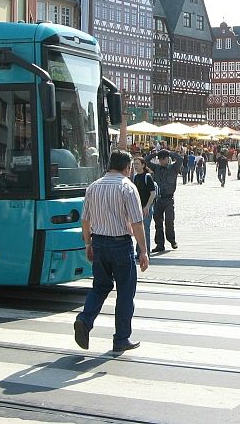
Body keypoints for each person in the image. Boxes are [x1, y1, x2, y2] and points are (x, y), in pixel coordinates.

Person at [73, 150, 149, 353]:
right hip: (120, 245)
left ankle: (84, 319)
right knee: (125, 292)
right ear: (127, 167)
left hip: (98, 243)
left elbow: (85, 219)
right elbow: (136, 222)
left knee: (100, 286)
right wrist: (143, 250)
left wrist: (88, 244)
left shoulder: (93, 187)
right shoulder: (128, 187)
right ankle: (121, 338)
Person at [147, 149, 183, 252]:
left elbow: (180, 159)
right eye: (160, 159)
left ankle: (172, 240)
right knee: (158, 223)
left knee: (169, 221)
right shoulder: (156, 168)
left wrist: (169, 152)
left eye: (164, 159)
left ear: (168, 159)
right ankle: (160, 244)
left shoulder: (173, 168)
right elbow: (146, 160)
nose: (162, 161)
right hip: (158, 199)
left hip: (168, 199)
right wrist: (155, 153)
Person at [131, 157, 156, 258]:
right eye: (134, 164)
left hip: (146, 208)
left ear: (143, 165)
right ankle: (139, 252)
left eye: (137, 164)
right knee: (138, 229)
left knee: (145, 230)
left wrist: (147, 207)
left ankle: (146, 252)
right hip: (138, 207)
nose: (135, 166)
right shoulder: (135, 177)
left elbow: (153, 193)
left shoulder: (147, 177)